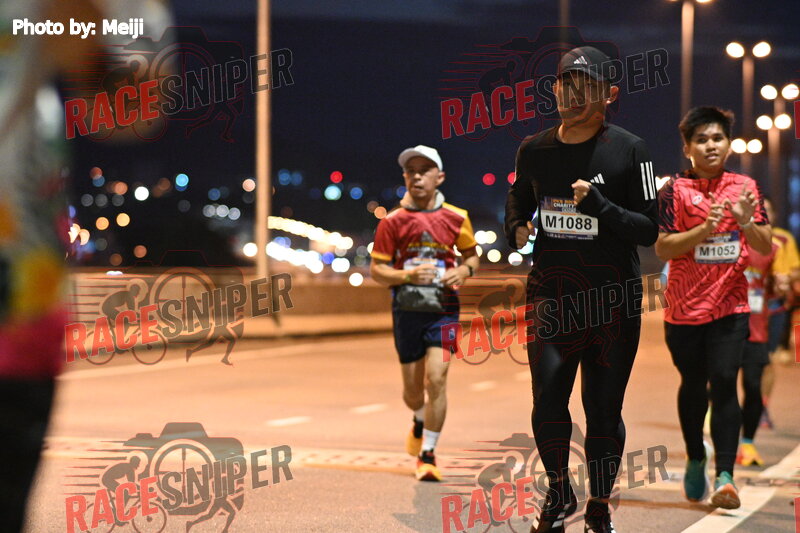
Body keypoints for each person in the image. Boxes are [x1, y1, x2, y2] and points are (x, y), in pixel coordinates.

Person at [505, 46, 658, 533]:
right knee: (548, 402)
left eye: (585, 86)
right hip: (551, 299)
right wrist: (515, 227)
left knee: (603, 411)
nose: (572, 94)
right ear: (554, 89)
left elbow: (649, 228)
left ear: (608, 95)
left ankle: (598, 505)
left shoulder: (632, 150)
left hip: (613, 303)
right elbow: (518, 198)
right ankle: (558, 491)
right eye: (565, 84)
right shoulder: (533, 150)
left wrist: (601, 207)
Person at [655, 106, 772, 509]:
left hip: (730, 307)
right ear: (687, 147)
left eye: (717, 138)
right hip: (684, 310)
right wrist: (704, 229)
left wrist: (746, 222)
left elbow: (763, 245)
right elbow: (663, 247)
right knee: (693, 384)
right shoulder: (674, 190)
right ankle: (695, 456)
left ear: (728, 144)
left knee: (724, 380)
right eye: (701, 139)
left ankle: (725, 476)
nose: (710, 145)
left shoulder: (745, 187)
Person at [370, 145, 479, 482]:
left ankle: (428, 454)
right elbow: (377, 270)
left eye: (424, 170)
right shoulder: (392, 221)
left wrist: (463, 271)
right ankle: (419, 419)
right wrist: (407, 276)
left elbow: (472, 257)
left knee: (437, 378)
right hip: (407, 310)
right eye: (410, 171)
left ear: (439, 177)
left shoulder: (457, 217)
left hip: (444, 310)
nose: (416, 176)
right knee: (412, 392)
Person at [737, 240, 777, 466]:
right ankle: (706, 445)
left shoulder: (772, 248)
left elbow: (781, 285)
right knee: (719, 385)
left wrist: (781, 285)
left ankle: (748, 443)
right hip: (723, 327)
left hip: (756, 330)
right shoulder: (722, 239)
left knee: (753, 387)